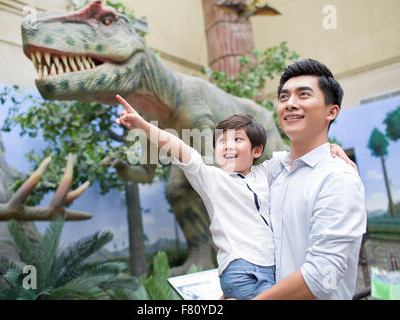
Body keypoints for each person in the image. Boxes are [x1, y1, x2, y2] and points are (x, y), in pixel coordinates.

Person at [114, 93, 355, 299]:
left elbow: (300, 152)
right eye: (222, 141)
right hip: (239, 268)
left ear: (257, 150)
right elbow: (179, 147)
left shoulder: (267, 172)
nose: (227, 145)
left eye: (237, 139)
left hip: (273, 268)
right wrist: (143, 126)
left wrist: (330, 149)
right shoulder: (211, 179)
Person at [249, 58, 366, 300]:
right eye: (284, 97)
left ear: (331, 111)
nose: (290, 104)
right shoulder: (275, 171)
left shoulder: (338, 178)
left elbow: (322, 276)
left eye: (303, 95)